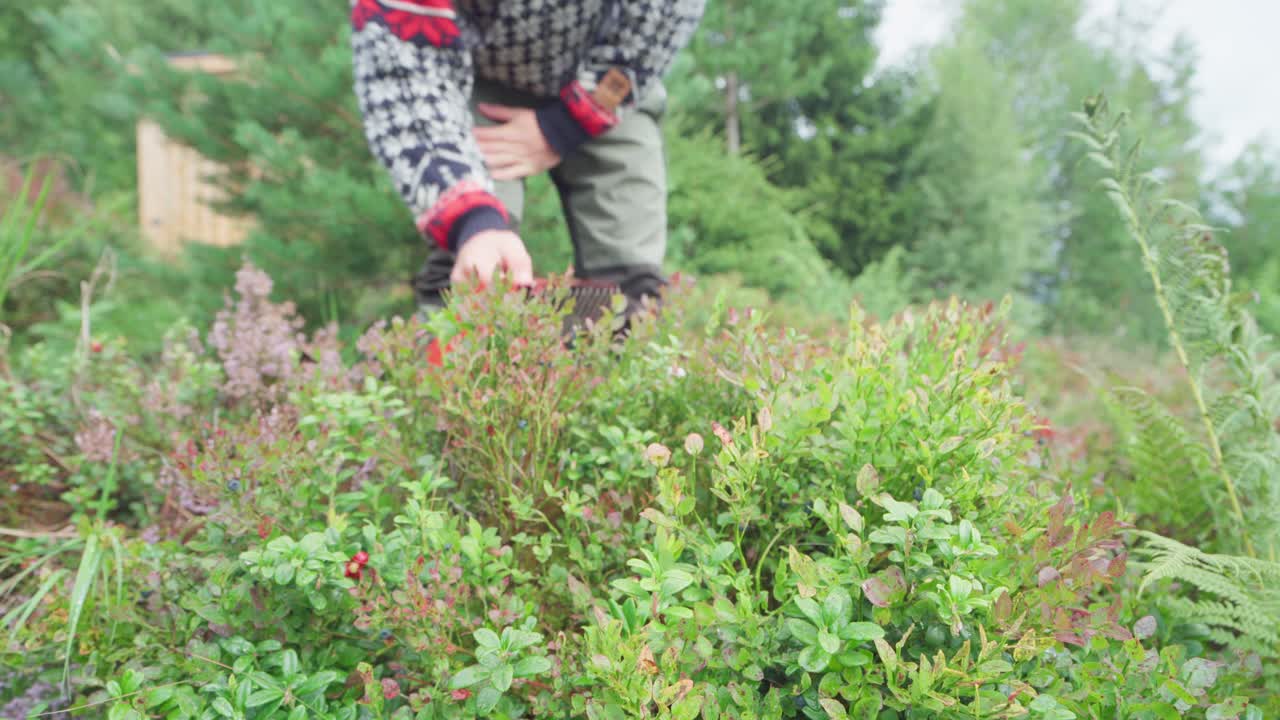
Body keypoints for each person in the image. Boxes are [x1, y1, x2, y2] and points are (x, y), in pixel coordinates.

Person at [349, 0, 706, 319]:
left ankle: (618, 378)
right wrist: (471, 218)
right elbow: (403, 71)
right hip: (470, 73)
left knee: (632, 279)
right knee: (474, 265)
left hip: (609, 61)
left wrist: (567, 124)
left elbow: (665, 14)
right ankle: (452, 383)